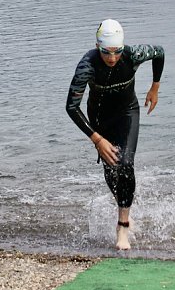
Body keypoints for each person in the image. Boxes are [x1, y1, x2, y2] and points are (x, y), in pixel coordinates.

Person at [66, 19, 164, 250]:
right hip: (100, 117)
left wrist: (155, 87)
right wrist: (97, 139)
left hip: (127, 112)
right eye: (106, 52)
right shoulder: (87, 66)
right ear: (97, 46)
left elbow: (159, 53)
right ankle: (123, 204)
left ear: (123, 47)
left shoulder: (133, 55)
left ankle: (123, 226)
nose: (112, 58)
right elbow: (71, 107)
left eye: (117, 51)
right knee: (112, 169)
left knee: (126, 163)